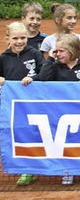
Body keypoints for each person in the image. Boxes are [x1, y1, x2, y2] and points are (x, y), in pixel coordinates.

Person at [38, 34, 80, 185]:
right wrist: (49, 59)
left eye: (61, 51)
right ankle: (67, 170)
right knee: (64, 142)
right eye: (55, 51)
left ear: (73, 50)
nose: (57, 54)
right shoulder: (55, 66)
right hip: (60, 113)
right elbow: (43, 79)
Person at [2, 22, 43, 186]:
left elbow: (45, 72)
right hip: (13, 105)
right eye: (15, 38)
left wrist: (33, 78)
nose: (19, 41)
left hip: (34, 103)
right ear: (7, 39)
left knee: (33, 133)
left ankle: (32, 168)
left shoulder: (34, 53)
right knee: (16, 134)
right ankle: (23, 167)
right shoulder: (3, 58)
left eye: (23, 38)